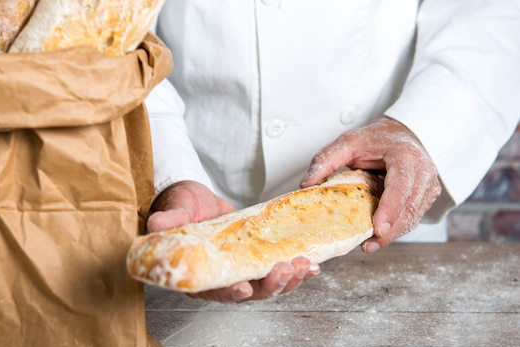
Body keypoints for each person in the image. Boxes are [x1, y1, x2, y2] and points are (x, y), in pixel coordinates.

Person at [144, 0, 520, 303]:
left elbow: (488, 13)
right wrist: (171, 175)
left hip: (383, 215)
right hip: (197, 204)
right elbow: (111, 49)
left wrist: (420, 129)